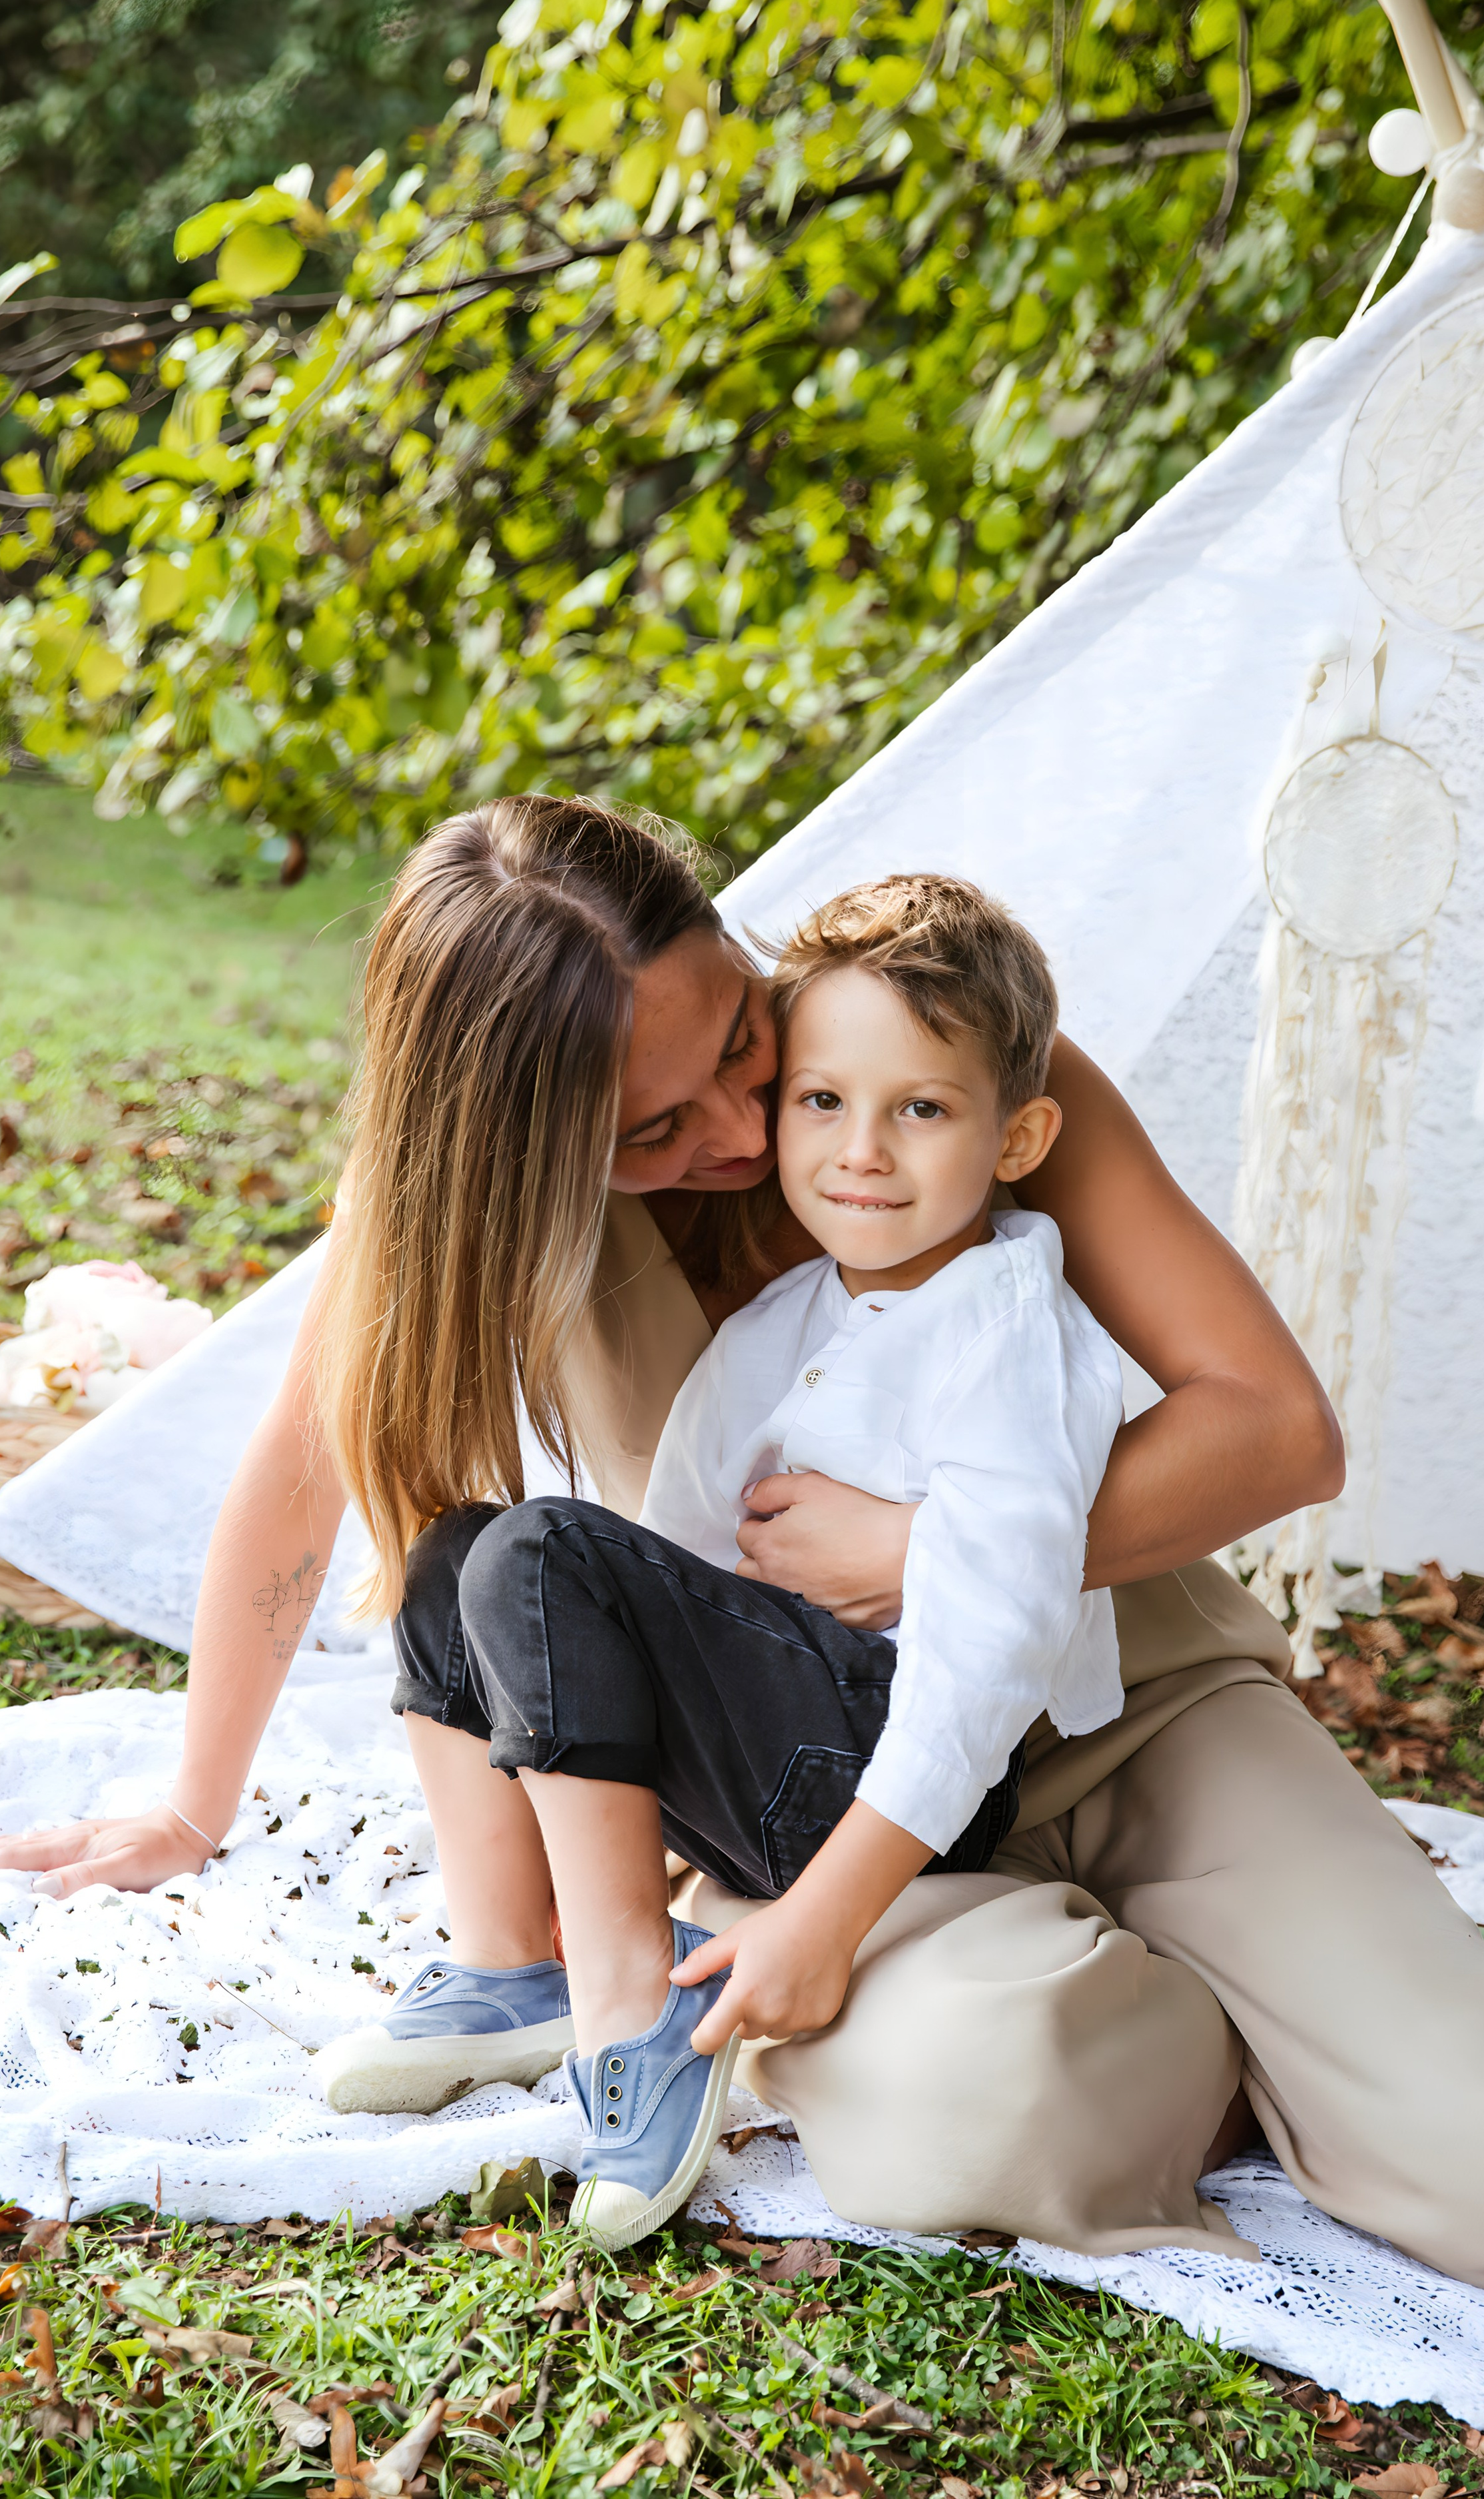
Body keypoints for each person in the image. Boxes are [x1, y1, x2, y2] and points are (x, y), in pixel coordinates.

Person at [0, 797, 1484, 2291]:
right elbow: (314, 1479)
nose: (745, 1139)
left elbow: (1275, 1429)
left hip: (1135, 1708)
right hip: (812, 1783)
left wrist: (924, 1546)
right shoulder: (464, 1209)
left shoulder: (931, 1055)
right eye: (653, 1136)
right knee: (974, 2107)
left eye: (740, 1054)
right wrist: (191, 1801)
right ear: (522, 1155)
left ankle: (1414, 2007)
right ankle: (1242, 2022)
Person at [320, 874, 1126, 2251]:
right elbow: (674, 1571)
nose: (857, 1151)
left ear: (1017, 1135)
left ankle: (638, 2019)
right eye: (821, 1102)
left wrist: (824, 1914)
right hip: (771, 1756)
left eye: (919, 1109)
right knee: (462, 1550)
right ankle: (516, 1965)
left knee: (538, 1546)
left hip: (894, 1790)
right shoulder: (787, 1318)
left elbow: (992, 1640)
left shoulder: (1003, 1323)